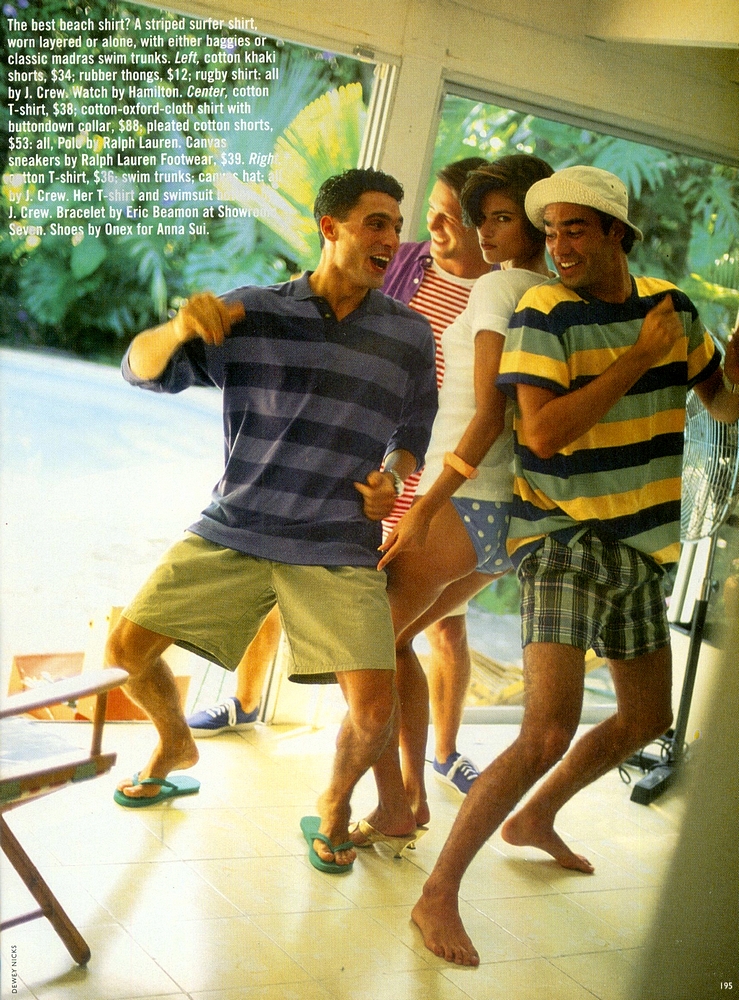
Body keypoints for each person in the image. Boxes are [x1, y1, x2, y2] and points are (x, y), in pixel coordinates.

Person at [410, 164, 739, 964]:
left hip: (641, 541)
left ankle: (534, 816)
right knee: (547, 728)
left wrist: (732, 366)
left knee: (645, 718)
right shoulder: (542, 312)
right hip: (560, 536)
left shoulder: (671, 310)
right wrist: (636, 358)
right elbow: (543, 433)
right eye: (550, 230)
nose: (556, 246)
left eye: (575, 230)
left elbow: (722, 405)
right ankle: (436, 893)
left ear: (616, 233)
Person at [106, 168, 438, 876]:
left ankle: (335, 805)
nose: (390, 239)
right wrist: (178, 326)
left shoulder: (409, 334)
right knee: (124, 653)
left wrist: (394, 475)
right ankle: (175, 744)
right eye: (375, 223)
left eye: (394, 224)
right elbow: (139, 369)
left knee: (373, 712)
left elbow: (413, 429)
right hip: (235, 526)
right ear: (330, 227)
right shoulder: (251, 311)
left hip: (336, 542)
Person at [186, 158, 495, 800]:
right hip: (369, 452)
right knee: (289, 562)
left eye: (449, 217)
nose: (429, 228)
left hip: (440, 461)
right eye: (429, 213)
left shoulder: (497, 292)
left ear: (482, 227)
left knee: (442, 625)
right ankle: (247, 700)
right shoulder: (409, 263)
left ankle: (442, 752)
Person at [349, 155, 555, 849]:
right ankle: (408, 797)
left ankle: (385, 804)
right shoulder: (553, 295)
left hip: (463, 502)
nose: (483, 232)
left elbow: (489, 413)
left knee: (364, 645)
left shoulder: (497, 289)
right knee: (397, 640)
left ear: (535, 223)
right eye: (481, 218)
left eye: (500, 218)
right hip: (504, 521)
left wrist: (426, 506)